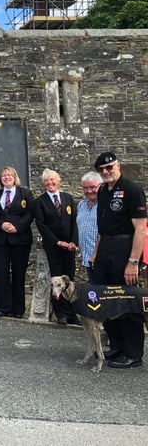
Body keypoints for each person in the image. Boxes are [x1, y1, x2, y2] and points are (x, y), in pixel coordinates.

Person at [91, 152, 146, 369]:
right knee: (108, 300)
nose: (105, 172)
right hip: (105, 249)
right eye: (101, 169)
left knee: (126, 299)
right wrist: (96, 252)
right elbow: (102, 228)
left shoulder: (132, 190)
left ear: (118, 166)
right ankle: (117, 346)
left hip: (125, 249)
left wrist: (133, 261)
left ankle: (133, 353)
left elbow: (141, 229)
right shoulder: (103, 190)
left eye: (109, 167)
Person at [0, 166, 35, 319]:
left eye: (9, 175)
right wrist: (1, 224)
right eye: (4, 175)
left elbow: (31, 213)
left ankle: (18, 308)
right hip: (1, 239)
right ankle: (2, 307)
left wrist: (17, 226)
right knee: (1, 272)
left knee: (19, 273)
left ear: (15, 177)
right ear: (0, 179)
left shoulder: (25, 193)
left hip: (20, 239)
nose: (6, 177)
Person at [34, 169, 79, 325]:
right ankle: (62, 314)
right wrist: (57, 242)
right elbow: (41, 225)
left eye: (52, 180)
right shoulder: (40, 202)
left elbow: (75, 221)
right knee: (56, 281)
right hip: (53, 247)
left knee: (69, 280)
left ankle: (73, 313)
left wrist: (73, 242)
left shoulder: (68, 198)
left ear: (58, 181)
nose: (50, 183)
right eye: (46, 181)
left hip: (69, 247)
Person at [76, 171, 103, 283]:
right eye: (85, 188)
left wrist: (96, 254)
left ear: (100, 186)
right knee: (94, 292)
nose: (89, 191)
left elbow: (105, 231)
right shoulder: (81, 204)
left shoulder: (104, 204)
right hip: (87, 258)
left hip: (101, 257)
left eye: (92, 187)